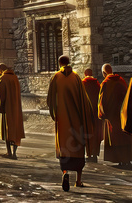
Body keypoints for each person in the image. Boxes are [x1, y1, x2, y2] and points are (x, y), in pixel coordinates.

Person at [48, 55, 95, 191]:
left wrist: (54, 114)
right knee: (78, 150)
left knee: (64, 149)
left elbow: (50, 99)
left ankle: (65, 174)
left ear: (59, 63)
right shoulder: (76, 78)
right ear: (69, 63)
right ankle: (78, 180)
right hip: (77, 122)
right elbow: (84, 100)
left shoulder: (56, 77)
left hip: (63, 122)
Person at [99, 64, 131, 166]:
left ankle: (120, 160)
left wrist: (102, 114)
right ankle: (127, 159)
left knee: (116, 138)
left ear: (104, 73)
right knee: (124, 137)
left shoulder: (105, 83)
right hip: (122, 114)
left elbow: (101, 101)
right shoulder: (121, 81)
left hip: (112, 116)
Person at [0, 64, 24, 159]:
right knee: (15, 130)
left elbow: (0, 94)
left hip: (7, 108)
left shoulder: (3, 79)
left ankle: (9, 152)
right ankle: (14, 153)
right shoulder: (14, 78)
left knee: (7, 130)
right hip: (16, 108)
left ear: (1, 70)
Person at [82, 68, 104, 162]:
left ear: (85, 74)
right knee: (95, 134)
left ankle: (89, 154)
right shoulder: (97, 83)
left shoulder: (83, 83)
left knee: (87, 133)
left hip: (86, 113)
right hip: (96, 112)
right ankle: (95, 154)